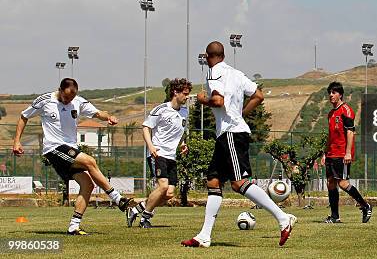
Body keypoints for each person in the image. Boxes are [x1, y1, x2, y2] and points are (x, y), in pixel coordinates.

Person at [181, 41, 296, 248]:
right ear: (223, 55)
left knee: (239, 183)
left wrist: (202, 100)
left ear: (209, 57)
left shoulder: (214, 71)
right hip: (229, 133)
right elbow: (258, 95)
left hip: (231, 134)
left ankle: (282, 218)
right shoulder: (236, 73)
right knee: (214, 182)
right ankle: (204, 236)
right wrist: (242, 114)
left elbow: (218, 101)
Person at [12, 78, 133, 235]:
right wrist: (16, 142)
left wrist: (109, 117)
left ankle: (73, 226)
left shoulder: (78, 102)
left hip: (70, 149)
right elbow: (24, 116)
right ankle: (118, 199)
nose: (69, 100)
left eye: (72, 97)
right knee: (90, 161)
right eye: (66, 97)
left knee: (88, 185)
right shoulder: (45, 100)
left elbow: (97, 113)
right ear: (60, 90)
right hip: (54, 148)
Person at [127, 78, 191, 228]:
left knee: (168, 193)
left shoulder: (184, 112)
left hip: (172, 156)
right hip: (158, 153)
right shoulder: (161, 109)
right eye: (185, 94)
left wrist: (182, 144)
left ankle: (136, 210)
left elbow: (179, 131)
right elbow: (145, 127)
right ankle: (145, 219)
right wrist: (151, 147)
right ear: (176, 92)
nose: (187, 97)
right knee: (162, 187)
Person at [322, 81, 372, 223]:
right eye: (330, 92)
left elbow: (350, 133)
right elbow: (331, 135)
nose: (331, 95)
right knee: (330, 183)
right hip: (331, 153)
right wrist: (325, 153)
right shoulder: (331, 113)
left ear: (340, 94)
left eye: (334, 92)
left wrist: (348, 152)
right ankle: (334, 217)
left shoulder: (346, 110)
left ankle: (365, 205)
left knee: (343, 183)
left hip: (341, 154)